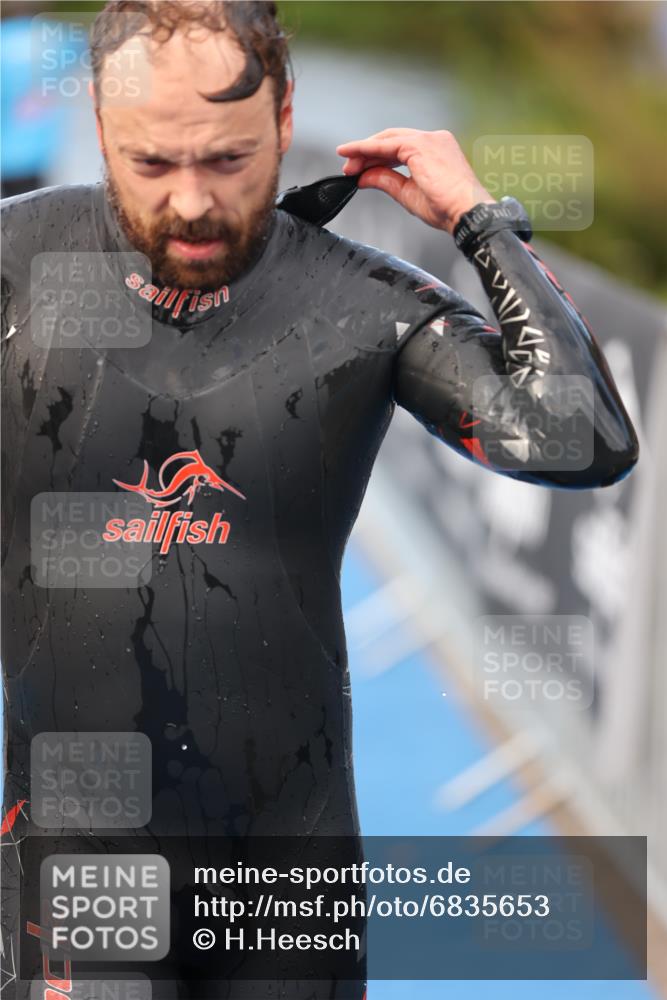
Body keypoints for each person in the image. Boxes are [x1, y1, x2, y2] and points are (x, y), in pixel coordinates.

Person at [1, 2, 638, 999]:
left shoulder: (363, 305)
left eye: (227, 160)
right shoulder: (17, 267)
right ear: (98, 124)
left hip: (287, 873)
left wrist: (483, 220)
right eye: (152, 163)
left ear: (286, 117)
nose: (190, 203)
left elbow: (583, 437)